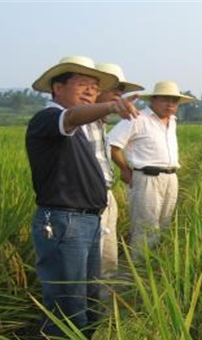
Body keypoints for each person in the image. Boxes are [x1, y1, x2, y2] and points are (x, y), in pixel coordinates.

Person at [25, 55, 138, 340]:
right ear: (57, 88)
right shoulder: (49, 119)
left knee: (87, 297)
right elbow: (72, 116)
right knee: (67, 302)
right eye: (82, 85)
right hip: (63, 222)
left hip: (86, 221)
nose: (90, 92)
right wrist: (110, 107)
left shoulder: (85, 128)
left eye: (94, 88)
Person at [108, 81, 195, 260]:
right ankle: (138, 271)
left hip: (171, 177)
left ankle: (154, 268)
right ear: (153, 100)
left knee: (164, 223)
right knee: (146, 225)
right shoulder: (137, 118)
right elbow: (112, 145)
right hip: (146, 178)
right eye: (165, 99)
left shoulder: (172, 122)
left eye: (174, 100)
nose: (170, 104)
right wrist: (125, 169)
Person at [86, 63, 143, 294]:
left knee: (109, 256)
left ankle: (106, 310)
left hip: (106, 194)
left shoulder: (99, 124)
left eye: (121, 89)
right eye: (114, 89)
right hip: (87, 200)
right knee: (94, 259)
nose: (119, 93)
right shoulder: (78, 123)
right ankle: (94, 313)